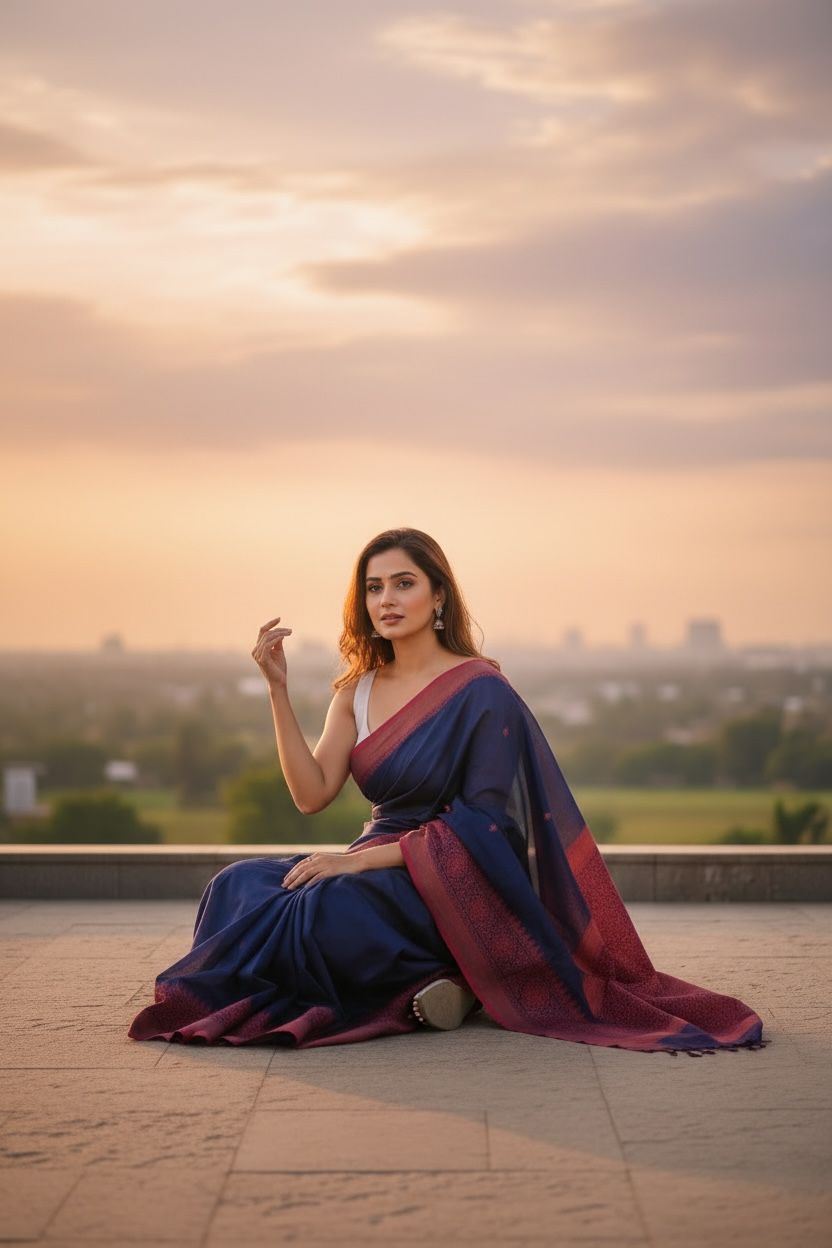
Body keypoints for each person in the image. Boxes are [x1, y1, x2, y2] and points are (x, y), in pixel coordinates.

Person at [128, 527, 766, 1056]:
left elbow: (487, 821)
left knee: (322, 913)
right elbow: (312, 793)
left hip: (451, 875)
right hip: (374, 862)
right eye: (374, 587)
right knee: (237, 886)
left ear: (438, 596)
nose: (387, 598)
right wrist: (276, 689)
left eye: (404, 583)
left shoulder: (479, 690)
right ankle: (448, 981)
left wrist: (353, 863)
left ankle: (459, 972)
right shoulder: (357, 688)